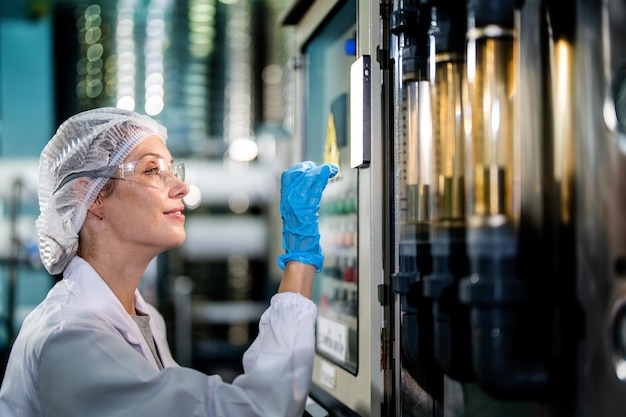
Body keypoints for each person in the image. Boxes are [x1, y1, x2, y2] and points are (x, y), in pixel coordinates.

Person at [0, 107, 338, 417]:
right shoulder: (70, 339)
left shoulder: (142, 318)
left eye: (173, 170)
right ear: (92, 197)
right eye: (152, 170)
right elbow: (255, 410)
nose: (182, 187)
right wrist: (300, 257)